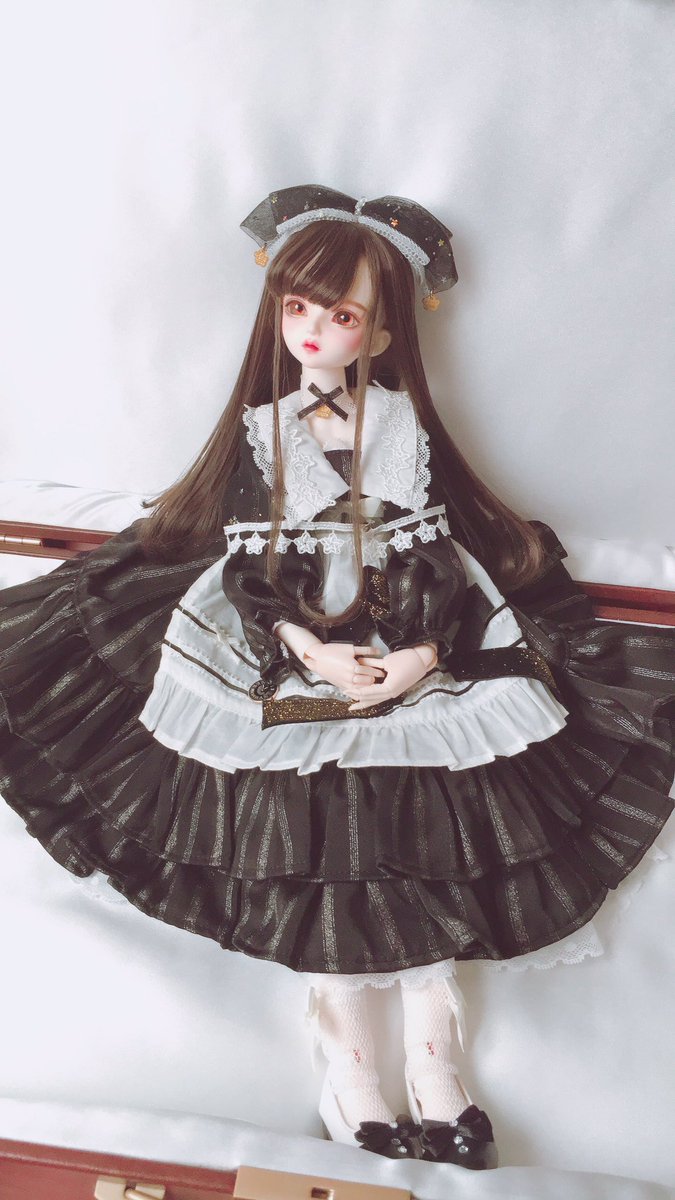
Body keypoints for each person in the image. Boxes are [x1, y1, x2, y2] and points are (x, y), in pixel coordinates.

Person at [0, 185, 673, 1168]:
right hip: (291, 640)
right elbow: (251, 570)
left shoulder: (402, 430)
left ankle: (436, 1059)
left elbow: (433, 559)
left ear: (385, 333)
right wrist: (311, 650)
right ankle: (351, 1060)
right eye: (299, 307)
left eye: (343, 314)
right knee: (324, 831)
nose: (315, 330)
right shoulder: (266, 433)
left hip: (405, 633)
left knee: (429, 823)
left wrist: (422, 653)